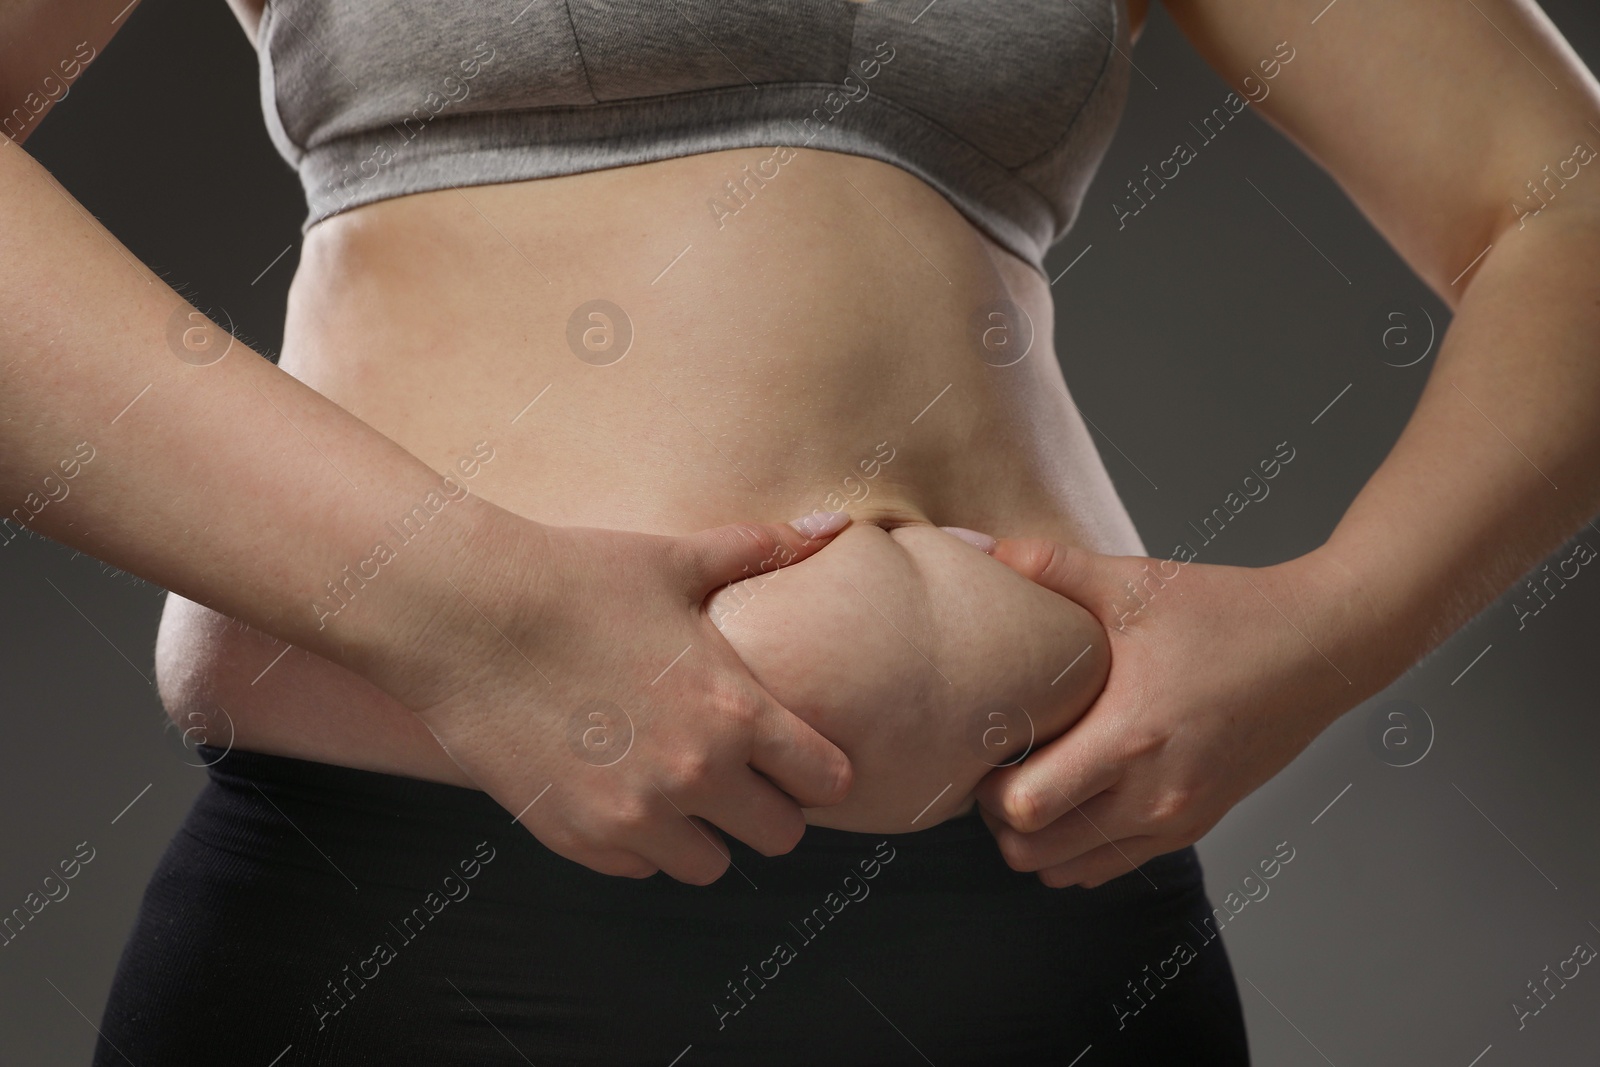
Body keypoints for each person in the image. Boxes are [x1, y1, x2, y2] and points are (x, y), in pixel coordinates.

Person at [3, 0, 1598, 1063]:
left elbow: (1564, 205)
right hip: (432, 911)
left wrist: (1333, 632)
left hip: (1042, 924)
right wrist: (468, 609)